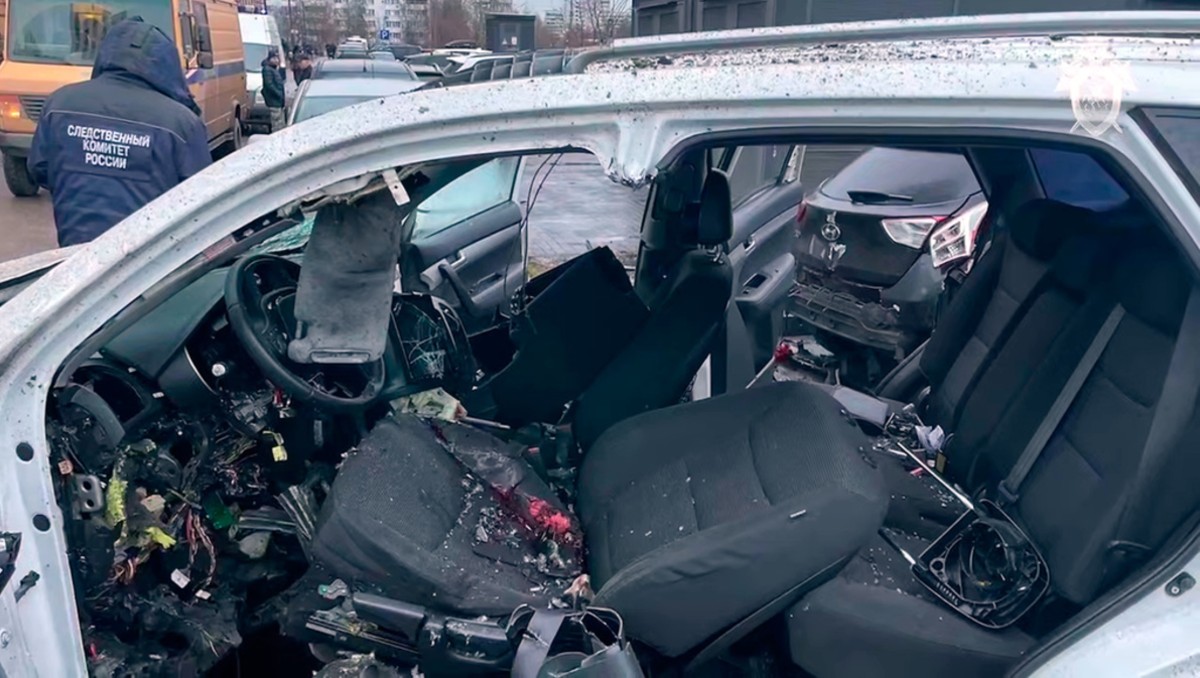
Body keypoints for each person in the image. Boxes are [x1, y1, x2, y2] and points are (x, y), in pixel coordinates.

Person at [27, 18, 210, 247]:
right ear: (167, 64)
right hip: (150, 258)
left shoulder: (59, 103)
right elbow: (201, 196)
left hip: (75, 253)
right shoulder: (181, 122)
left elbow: (39, 168)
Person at [261, 50, 287, 132]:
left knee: (280, 124)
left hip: (278, 102)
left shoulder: (274, 69)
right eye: (274, 58)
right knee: (277, 125)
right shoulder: (267, 70)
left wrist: (282, 69)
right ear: (270, 59)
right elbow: (269, 85)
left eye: (277, 58)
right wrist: (279, 94)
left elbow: (282, 80)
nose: (277, 60)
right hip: (274, 101)